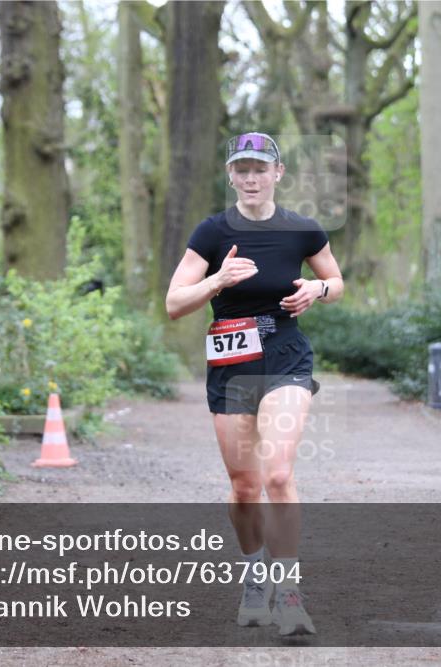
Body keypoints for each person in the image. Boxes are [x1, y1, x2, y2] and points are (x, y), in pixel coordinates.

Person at [165, 132, 344, 636]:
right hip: (231, 362)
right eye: (241, 169)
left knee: (279, 475)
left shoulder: (303, 231)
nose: (250, 178)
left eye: (260, 168)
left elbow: (337, 282)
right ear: (230, 175)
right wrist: (217, 281)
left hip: (285, 356)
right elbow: (175, 303)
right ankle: (253, 575)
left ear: (278, 173)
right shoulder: (212, 233)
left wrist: (318, 287)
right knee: (244, 486)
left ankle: (288, 594)